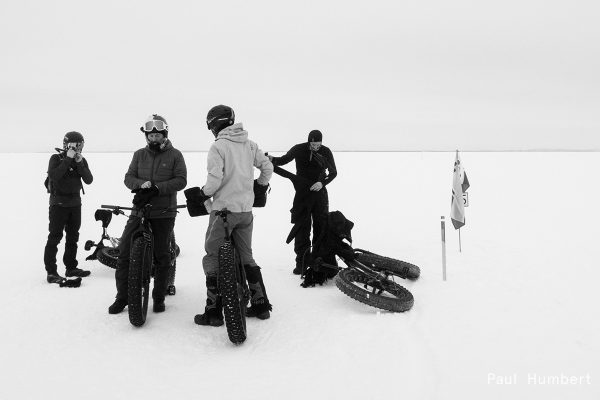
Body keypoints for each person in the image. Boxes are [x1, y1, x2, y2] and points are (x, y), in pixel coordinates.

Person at [193, 105, 273, 326]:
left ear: (215, 125)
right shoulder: (250, 144)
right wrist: (259, 186)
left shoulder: (218, 147)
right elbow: (267, 168)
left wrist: (203, 193)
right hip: (245, 212)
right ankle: (261, 306)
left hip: (223, 212)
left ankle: (214, 312)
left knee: (212, 256)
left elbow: (214, 180)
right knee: (247, 256)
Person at [108, 114, 187, 314]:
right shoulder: (138, 154)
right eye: (150, 136)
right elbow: (128, 178)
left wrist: (158, 188)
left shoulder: (175, 155)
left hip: (164, 212)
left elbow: (181, 180)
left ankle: (158, 298)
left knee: (162, 256)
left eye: (157, 135)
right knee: (124, 253)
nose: (153, 139)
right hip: (139, 210)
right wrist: (139, 185)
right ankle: (122, 297)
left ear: (164, 135)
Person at [268, 130, 337, 274]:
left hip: (320, 194)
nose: (315, 147)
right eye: (313, 144)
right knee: (302, 229)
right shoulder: (298, 149)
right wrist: (270, 159)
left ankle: (319, 262)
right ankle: (302, 263)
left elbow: (333, 172)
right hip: (302, 194)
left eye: (318, 144)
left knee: (321, 227)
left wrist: (322, 183)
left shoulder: (326, 151)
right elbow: (282, 160)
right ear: (308, 141)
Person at [44, 131, 94, 284]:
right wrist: (68, 159)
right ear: (66, 144)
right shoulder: (56, 158)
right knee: (55, 237)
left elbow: (89, 180)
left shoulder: (81, 160)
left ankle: (71, 267)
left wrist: (79, 163)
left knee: (73, 237)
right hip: (58, 204)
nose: (76, 148)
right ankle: (51, 272)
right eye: (73, 145)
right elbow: (55, 176)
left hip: (75, 204)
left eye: (79, 145)